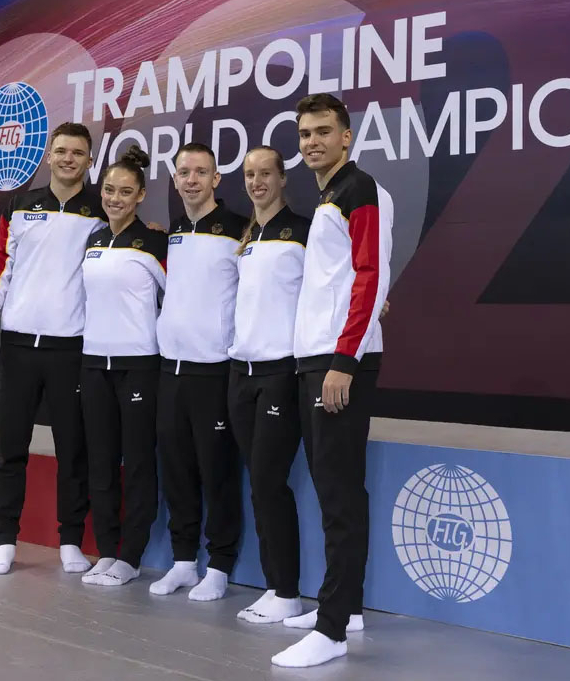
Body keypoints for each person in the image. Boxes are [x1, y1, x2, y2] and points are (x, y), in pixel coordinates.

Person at [273, 94, 393, 668]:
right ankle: (346, 608)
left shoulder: (357, 189)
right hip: (314, 358)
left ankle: (331, 629)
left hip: (337, 362)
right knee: (330, 489)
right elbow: (347, 278)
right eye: (304, 134)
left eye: (324, 131)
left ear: (347, 136)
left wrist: (344, 361)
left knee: (340, 494)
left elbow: (370, 276)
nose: (312, 141)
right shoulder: (329, 196)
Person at [0, 122, 106, 576]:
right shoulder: (20, 204)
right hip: (19, 348)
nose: (69, 159)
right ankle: (4, 541)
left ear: (91, 161)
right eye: (62, 151)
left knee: (74, 449)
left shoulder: (101, 211)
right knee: (10, 447)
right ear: (49, 157)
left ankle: (71, 540)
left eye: (78, 153)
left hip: (72, 350)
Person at [148, 143, 245, 602]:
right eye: (183, 172)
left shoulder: (240, 231)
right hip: (171, 371)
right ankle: (184, 562)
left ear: (216, 179)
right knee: (178, 471)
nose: (191, 179)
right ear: (174, 178)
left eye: (200, 172)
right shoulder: (171, 232)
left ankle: (220, 566)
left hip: (215, 372)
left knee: (217, 472)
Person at [227, 146, 310, 623]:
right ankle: (275, 586)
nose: (257, 182)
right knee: (259, 484)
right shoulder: (247, 235)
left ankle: (287, 592)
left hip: (281, 374)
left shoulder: (302, 231)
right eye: (250, 175)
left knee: (267, 481)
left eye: (265, 174)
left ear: (282, 179)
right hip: (242, 373)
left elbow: (332, 281)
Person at [78, 145, 166, 587]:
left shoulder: (155, 242)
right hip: (93, 365)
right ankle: (107, 552)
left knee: (137, 463)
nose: (114, 198)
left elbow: (183, 298)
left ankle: (130, 556)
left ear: (140, 195)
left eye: (125, 191)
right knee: (101, 463)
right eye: (109, 189)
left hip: (139, 367)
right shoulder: (93, 239)